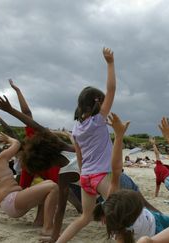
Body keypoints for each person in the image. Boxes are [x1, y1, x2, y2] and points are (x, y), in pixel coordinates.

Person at [0, 86, 81, 242]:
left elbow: (28, 117)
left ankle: (43, 222)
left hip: (92, 179)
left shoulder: (42, 154)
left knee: (57, 193)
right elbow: (30, 120)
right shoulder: (55, 146)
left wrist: (11, 106)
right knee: (61, 194)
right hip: (92, 181)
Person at [57, 47, 116, 243]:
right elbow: (112, 90)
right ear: (97, 101)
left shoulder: (76, 128)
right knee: (121, 210)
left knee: (85, 217)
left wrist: (84, 175)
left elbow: (79, 156)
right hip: (100, 175)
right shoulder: (98, 120)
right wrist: (110, 63)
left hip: (85, 177)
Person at [92, 113, 169, 243]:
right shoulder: (121, 234)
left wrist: (119, 137)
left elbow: (116, 169)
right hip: (155, 232)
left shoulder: (112, 208)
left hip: (154, 218)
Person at [0, 132, 59, 237]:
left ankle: (39, 221)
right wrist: (8, 139)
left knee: (45, 187)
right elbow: (17, 144)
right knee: (52, 187)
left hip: (8, 206)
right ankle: (48, 229)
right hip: (13, 200)